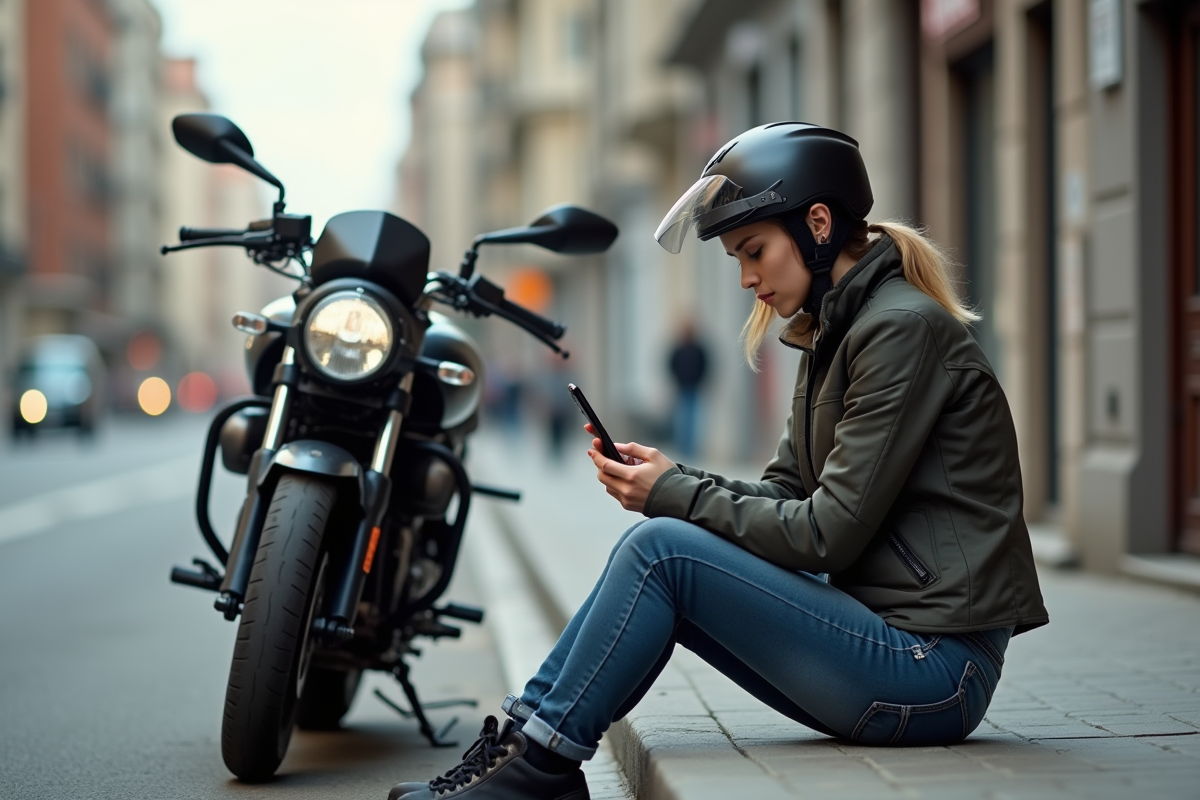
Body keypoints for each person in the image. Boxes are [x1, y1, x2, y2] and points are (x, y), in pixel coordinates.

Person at [384, 122, 1048, 800]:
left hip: (936, 670)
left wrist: (671, 494)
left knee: (660, 551)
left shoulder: (899, 330)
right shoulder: (836, 333)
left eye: (754, 251)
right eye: (737, 258)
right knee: (662, 546)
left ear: (818, 224)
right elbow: (786, 492)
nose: (746, 278)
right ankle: (527, 745)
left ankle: (537, 766)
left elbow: (827, 534)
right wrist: (677, 479)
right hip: (889, 645)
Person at [666, 321, 709, 460]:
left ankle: (690, 448)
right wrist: (676, 380)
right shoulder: (679, 349)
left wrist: (700, 380)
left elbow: (704, 366)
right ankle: (681, 446)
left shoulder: (698, 349)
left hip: (694, 387)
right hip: (681, 387)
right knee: (681, 418)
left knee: (692, 418)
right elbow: (671, 365)